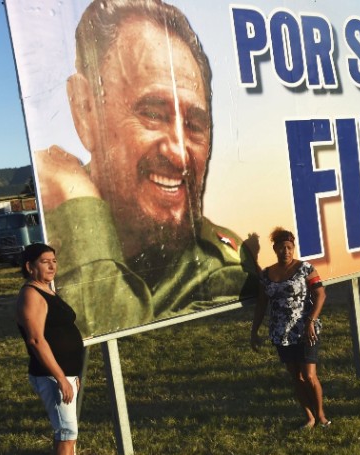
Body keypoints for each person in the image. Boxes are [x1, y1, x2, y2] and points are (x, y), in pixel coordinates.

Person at [33, 0, 258, 338]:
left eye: (195, 125)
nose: (180, 154)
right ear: (84, 108)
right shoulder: (54, 221)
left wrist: (75, 202)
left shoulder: (222, 272)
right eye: (153, 114)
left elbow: (117, 334)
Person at [15, 242, 101, 455]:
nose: (52, 266)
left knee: (70, 434)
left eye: (54, 260)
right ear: (30, 267)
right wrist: (61, 378)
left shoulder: (47, 290)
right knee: (65, 436)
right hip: (52, 376)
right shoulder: (30, 294)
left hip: (66, 374)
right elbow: (36, 340)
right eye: (44, 261)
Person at [250, 227, 329, 430]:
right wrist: (254, 331)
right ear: (275, 248)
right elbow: (261, 303)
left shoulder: (306, 269)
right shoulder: (266, 275)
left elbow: (320, 294)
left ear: (293, 248)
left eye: (289, 247)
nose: (286, 251)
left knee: (309, 375)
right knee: (296, 378)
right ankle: (309, 416)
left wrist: (311, 321)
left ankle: (321, 416)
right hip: (281, 332)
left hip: (305, 329)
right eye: (282, 247)